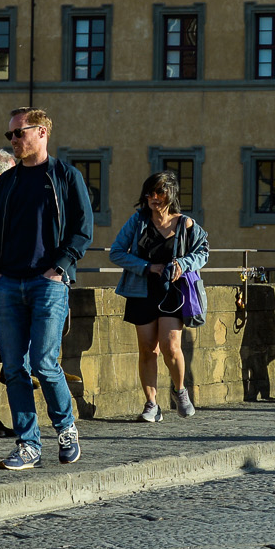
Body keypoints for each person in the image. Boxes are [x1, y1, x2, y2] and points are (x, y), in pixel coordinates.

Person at [0, 109, 94, 469]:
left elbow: (83, 228)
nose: (14, 140)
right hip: (7, 284)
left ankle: (66, 428)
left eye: (19, 133)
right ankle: (28, 443)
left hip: (48, 283)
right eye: (11, 135)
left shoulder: (65, 176)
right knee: (13, 367)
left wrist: (60, 268)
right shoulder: (5, 183)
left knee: (44, 363)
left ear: (42, 132)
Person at [109, 171, 210, 421]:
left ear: (171, 194)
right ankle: (151, 404)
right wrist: (146, 267)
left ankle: (180, 390)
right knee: (147, 349)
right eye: (149, 193)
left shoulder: (186, 224)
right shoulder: (138, 221)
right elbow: (117, 252)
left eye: (159, 192)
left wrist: (183, 264)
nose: (153, 198)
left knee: (170, 347)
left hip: (173, 293)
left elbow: (204, 252)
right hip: (141, 291)